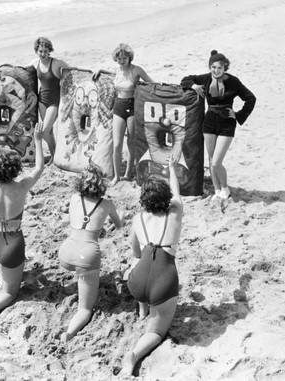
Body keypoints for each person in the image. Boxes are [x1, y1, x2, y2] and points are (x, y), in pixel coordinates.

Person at [0, 122, 45, 328]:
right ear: (15, 169)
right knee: (11, 293)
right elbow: (39, 167)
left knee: (4, 270)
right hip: (11, 244)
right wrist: (38, 141)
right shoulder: (21, 186)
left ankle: (2, 278)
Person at [122, 154, 183, 377]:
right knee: (156, 333)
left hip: (137, 283)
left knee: (138, 262)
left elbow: (135, 252)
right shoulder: (175, 212)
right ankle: (134, 355)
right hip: (163, 281)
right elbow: (177, 193)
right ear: (166, 198)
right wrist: (172, 169)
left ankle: (141, 309)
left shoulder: (138, 219)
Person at [58, 163, 124, 341]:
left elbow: (69, 211)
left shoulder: (73, 198)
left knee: (80, 270)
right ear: (102, 184)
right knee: (85, 308)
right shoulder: (107, 204)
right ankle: (69, 333)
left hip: (66, 253)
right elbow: (119, 225)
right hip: (86, 256)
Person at [180, 50, 256, 200]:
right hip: (209, 122)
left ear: (225, 68)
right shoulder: (207, 78)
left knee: (216, 162)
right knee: (210, 159)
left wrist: (239, 115)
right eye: (213, 67)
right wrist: (194, 86)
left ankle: (225, 188)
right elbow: (185, 80)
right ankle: (217, 191)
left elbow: (251, 98)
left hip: (227, 123)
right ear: (210, 67)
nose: (216, 71)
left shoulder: (234, 81)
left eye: (219, 68)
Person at [93, 43, 154, 186]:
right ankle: (116, 176)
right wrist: (100, 69)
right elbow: (111, 75)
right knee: (117, 144)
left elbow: (151, 83)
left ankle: (128, 173)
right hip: (119, 107)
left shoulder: (136, 70)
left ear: (129, 57)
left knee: (131, 142)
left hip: (132, 107)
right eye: (119, 58)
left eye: (124, 58)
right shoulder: (117, 71)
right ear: (116, 59)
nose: (122, 60)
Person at [28, 37, 71, 164]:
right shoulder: (35, 63)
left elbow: (73, 71)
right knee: (49, 131)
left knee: (44, 131)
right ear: (36, 51)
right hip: (42, 101)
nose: (43, 54)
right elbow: (21, 74)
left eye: (45, 51)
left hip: (54, 102)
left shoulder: (57, 63)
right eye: (40, 51)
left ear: (49, 51)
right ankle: (54, 157)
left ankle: (55, 155)